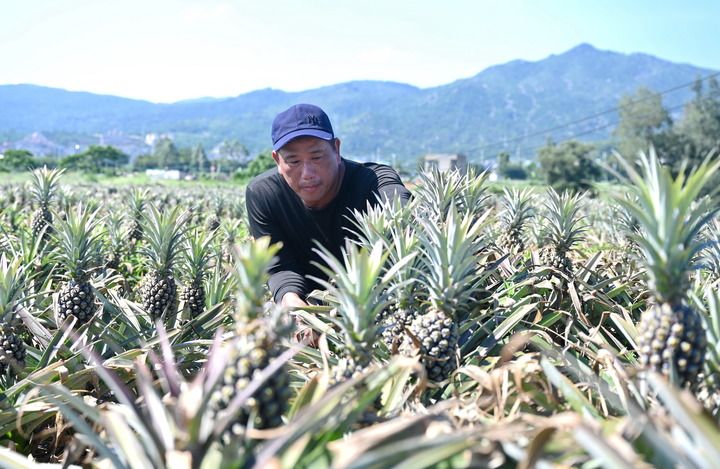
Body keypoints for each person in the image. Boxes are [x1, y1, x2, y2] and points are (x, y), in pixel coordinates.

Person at [245, 103, 411, 342]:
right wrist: (294, 306)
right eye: (293, 161)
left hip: (371, 310)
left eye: (317, 156)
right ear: (276, 161)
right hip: (304, 305)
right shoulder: (264, 195)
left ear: (336, 149)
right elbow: (279, 265)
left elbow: (395, 198)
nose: (308, 173)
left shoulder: (371, 182)